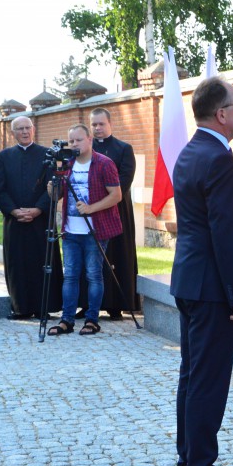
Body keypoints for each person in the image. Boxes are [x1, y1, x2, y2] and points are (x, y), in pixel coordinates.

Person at [171, 77, 233, 466]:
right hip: (210, 288)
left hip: (190, 280)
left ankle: (190, 465)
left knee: (193, 377)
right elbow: (225, 233)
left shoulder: (190, 152)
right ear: (221, 114)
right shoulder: (218, 158)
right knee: (207, 381)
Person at [46, 124, 122, 337]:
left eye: (78, 140)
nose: (74, 144)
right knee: (70, 276)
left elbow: (116, 196)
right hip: (71, 232)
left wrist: (90, 209)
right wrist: (53, 183)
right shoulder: (67, 165)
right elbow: (55, 196)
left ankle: (92, 320)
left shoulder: (104, 164)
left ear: (90, 140)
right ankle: (66, 320)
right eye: (71, 141)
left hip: (94, 231)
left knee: (93, 275)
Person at [0, 116, 63, 319]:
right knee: (17, 264)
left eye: (27, 128)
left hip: (40, 220)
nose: (24, 132)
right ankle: (20, 307)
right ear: (13, 133)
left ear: (33, 130)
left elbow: (53, 186)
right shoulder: (4, 156)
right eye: (19, 129)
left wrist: (38, 209)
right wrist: (14, 211)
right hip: (14, 220)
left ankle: (44, 307)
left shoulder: (47, 154)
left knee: (42, 262)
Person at [88, 108, 140, 320]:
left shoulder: (123, 149)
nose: (98, 128)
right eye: (94, 125)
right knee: (91, 258)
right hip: (90, 214)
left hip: (116, 212)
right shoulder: (84, 149)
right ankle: (89, 303)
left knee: (116, 256)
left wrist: (101, 201)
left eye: (101, 124)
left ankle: (116, 304)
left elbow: (124, 182)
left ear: (110, 124)